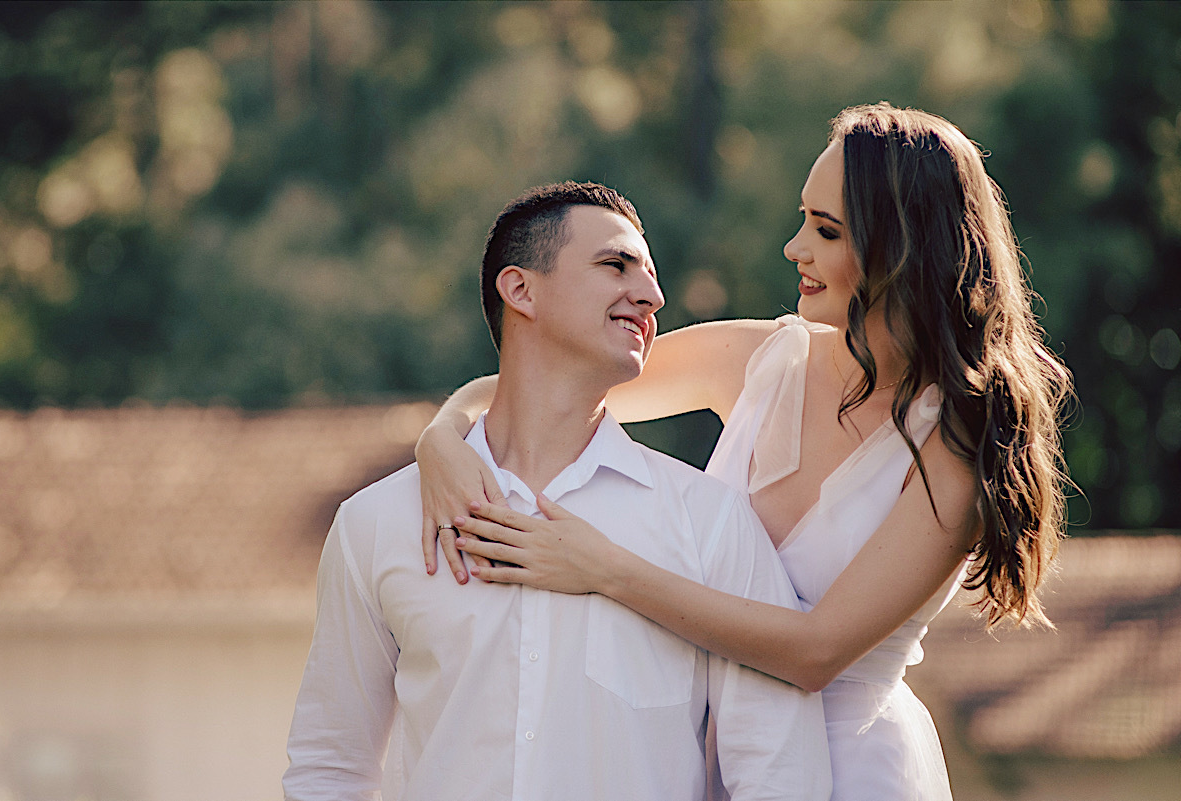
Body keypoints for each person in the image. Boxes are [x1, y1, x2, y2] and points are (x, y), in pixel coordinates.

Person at [416, 104, 1073, 801]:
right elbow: (550, 384)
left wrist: (603, 569)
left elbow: (816, 651)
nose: (794, 247)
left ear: (902, 248)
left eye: (826, 231)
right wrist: (442, 438)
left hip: (852, 769)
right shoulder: (763, 359)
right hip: (711, 752)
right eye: (803, 219)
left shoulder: (958, 441)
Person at [283, 181, 831, 801]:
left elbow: (781, 773)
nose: (652, 296)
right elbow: (329, 768)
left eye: (651, 277)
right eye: (615, 265)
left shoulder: (711, 522)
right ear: (521, 290)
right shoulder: (378, 522)